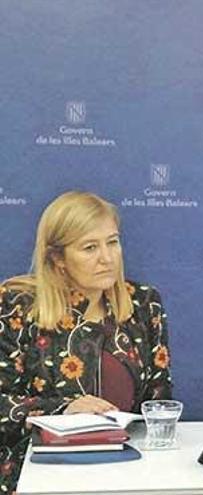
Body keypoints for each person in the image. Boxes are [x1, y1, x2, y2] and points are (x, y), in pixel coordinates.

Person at [0, 191, 172, 493]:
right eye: (90, 247)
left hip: (128, 472)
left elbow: (157, 401)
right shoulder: (17, 305)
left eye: (113, 242)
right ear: (58, 258)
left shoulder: (144, 303)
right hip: (36, 475)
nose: (107, 258)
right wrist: (63, 408)